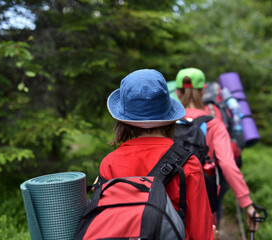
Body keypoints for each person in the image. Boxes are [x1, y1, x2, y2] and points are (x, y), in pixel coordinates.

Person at [98, 69, 217, 239]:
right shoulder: (188, 164)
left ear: (122, 121)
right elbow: (202, 233)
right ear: (169, 116)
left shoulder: (110, 163)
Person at [175, 67, 260, 232]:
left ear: (177, 92)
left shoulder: (167, 124)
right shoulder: (214, 124)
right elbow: (228, 165)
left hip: (171, 198)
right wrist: (247, 203)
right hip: (204, 199)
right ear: (203, 91)